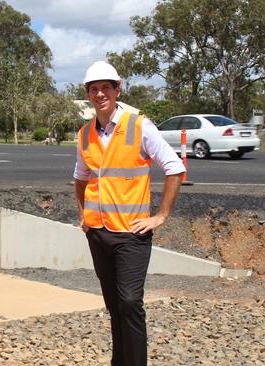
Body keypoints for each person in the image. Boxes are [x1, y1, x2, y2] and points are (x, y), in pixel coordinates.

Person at [73, 61, 184, 366]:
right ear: (88, 94)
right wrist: (84, 215)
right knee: (114, 305)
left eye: (105, 87)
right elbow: (81, 179)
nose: (100, 94)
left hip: (132, 234)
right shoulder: (85, 135)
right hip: (97, 233)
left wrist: (160, 216)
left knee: (131, 302)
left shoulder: (139, 126)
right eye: (93, 89)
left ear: (117, 89)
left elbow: (175, 169)